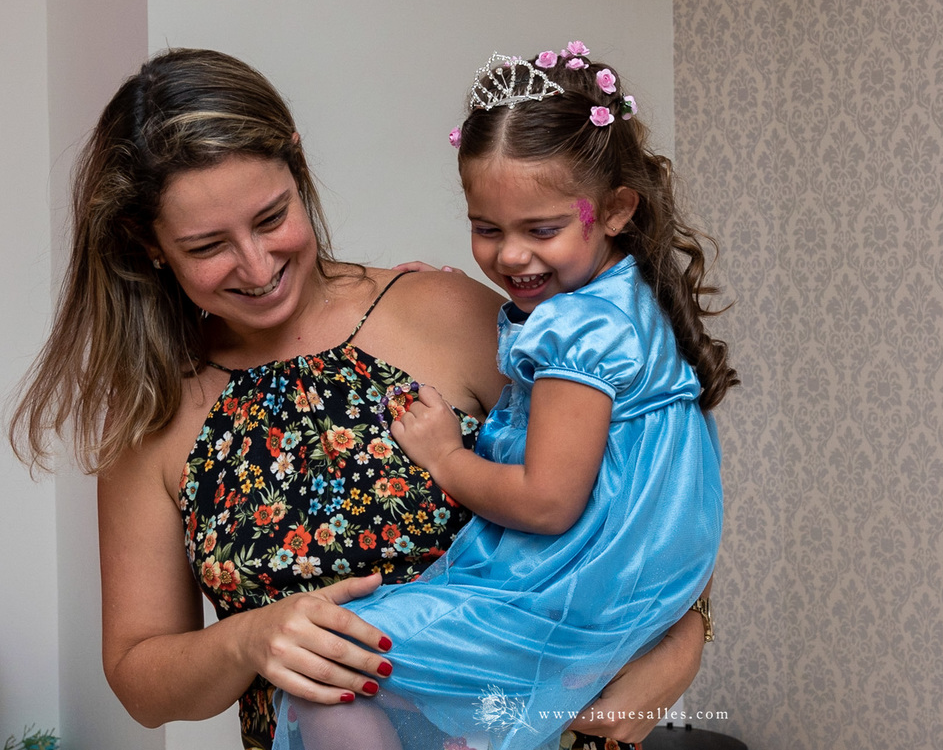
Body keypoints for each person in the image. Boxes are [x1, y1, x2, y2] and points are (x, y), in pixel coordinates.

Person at [7, 47, 713, 750]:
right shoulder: (153, 412)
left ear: (297, 164)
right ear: (150, 243)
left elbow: (645, 486)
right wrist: (250, 639)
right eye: (207, 245)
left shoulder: (445, 313)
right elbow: (140, 680)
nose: (257, 265)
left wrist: (679, 649)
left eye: (271, 217)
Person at [275, 43, 738, 750]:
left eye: (541, 229)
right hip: (633, 581)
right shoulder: (629, 295)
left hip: (574, 586)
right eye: (486, 229)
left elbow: (547, 503)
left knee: (331, 656)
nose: (511, 255)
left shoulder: (574, 332)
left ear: (616, 209)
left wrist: (444, 457)